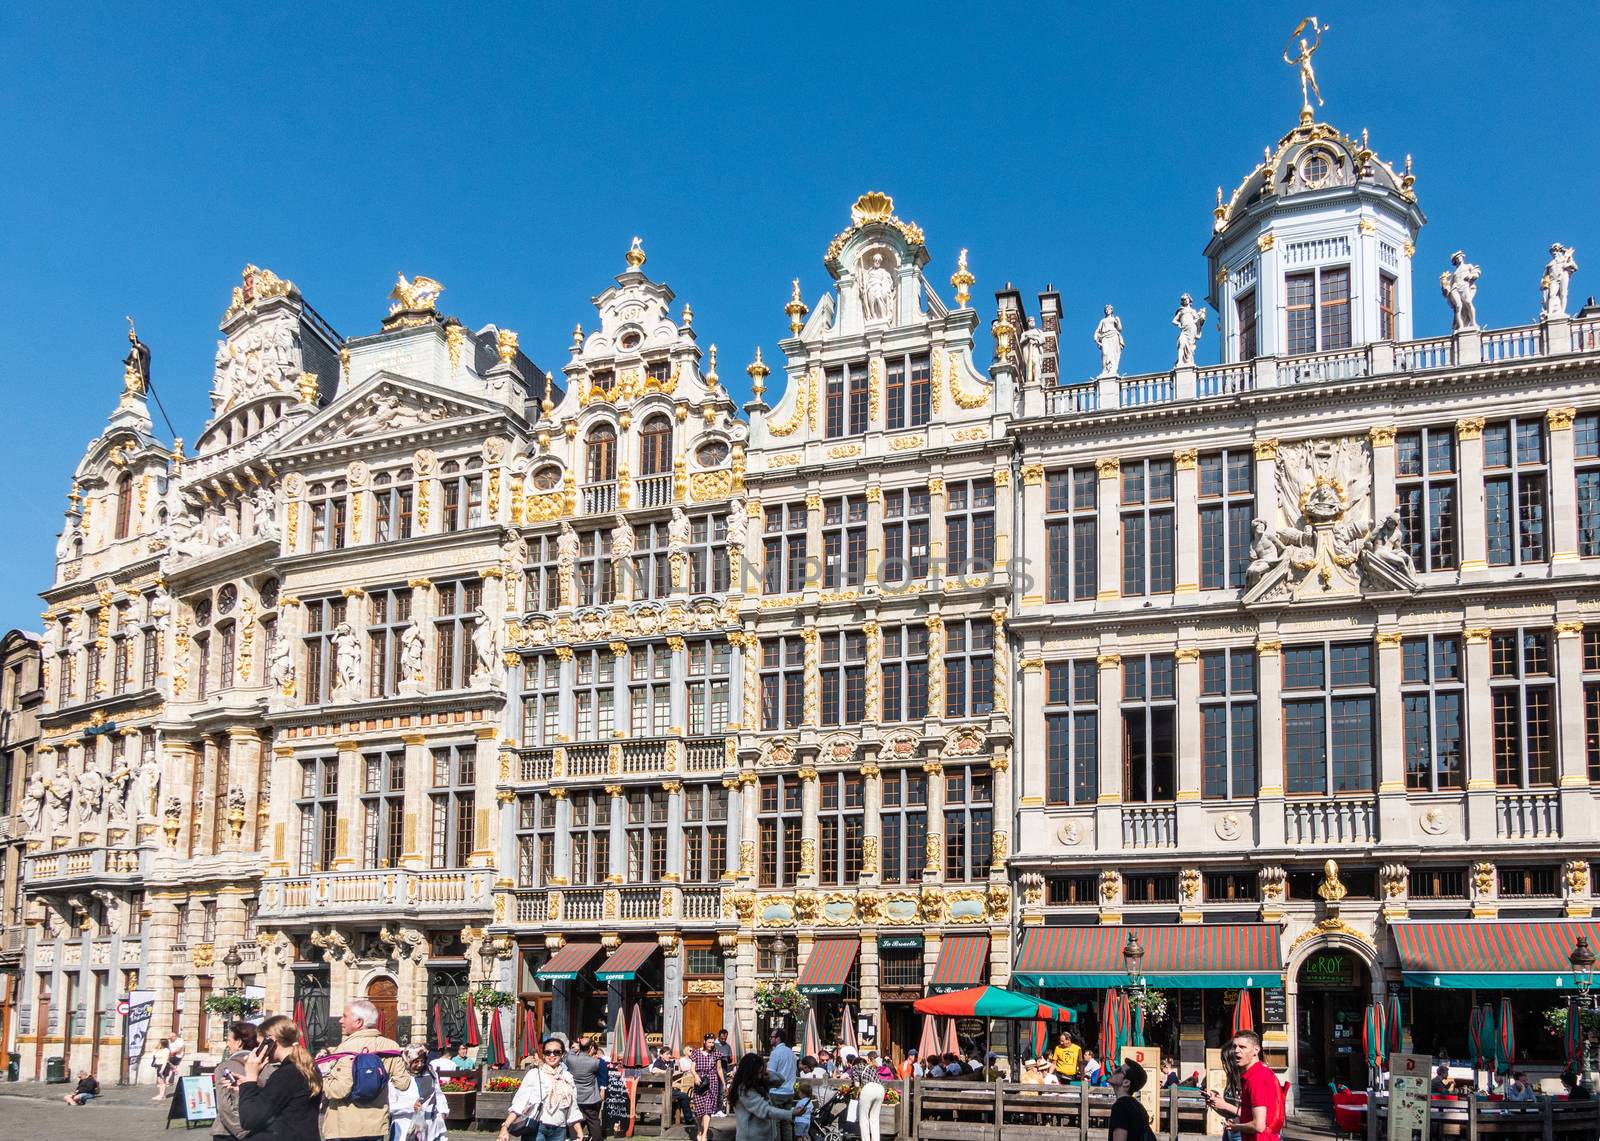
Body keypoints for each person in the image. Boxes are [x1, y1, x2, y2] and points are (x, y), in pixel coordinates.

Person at [320, 999, 413, 1141]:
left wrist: (321, 1079)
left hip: (344, 1127)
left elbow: (339, 1090)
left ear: (358, 1022)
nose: (340, 1020)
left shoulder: (345, 1049)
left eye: (344, 1016)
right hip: (375, 1126)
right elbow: (403, 1083)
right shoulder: (391, 1046)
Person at [239, 1015, 322, 1141]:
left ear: (270, 1041)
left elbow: (250, 1119)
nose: (257, 1049)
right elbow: (283, 1103)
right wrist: (248, 1085)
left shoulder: (287, 1073)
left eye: (259, 1043)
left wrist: (250, 1078)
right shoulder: (307, 1067)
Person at [1203, 1030, 1284, 1141]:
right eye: (1234, 1046)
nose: (1236, 1051)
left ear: (1256, 1050)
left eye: (1242, 1047)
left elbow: (1258, 1125)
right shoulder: (1254, 1075)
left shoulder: (1257, 1078)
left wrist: (1234, 1127)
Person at [499, 1038, 584, 1141]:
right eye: (548, 1052)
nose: (552, 1055)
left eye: (556, 1052)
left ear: (562, 1055)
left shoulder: (568, 1077)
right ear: (543, 1055)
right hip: (536, 1128)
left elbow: (572, 1107)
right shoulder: (534, 1074)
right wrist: (505, 1127)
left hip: (559, 1129)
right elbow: (520, 1103)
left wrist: (579, 1132)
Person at [387, 1045, 449, 1141]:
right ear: (407, 1060)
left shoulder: (430, 1073)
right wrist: (411, 1106)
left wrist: (443, 1112)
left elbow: (438, 1094)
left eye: (423, 1061)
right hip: (403, 1128)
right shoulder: (397, 1077)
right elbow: (389, 1106)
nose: (420, 1065)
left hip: (429, 1128)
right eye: (416, 1062)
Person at [213, 1021, 261, 1139]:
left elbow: (224, 1106)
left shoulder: (225, 1067)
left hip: (228, 1131)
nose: (227, 1044)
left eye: (229, 1040)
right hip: (259, 1128)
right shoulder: (265, 1065)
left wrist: (242, 1133)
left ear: (239, 1042)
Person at [730, 1052, 794, 1141]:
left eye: (762, 1072)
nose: (760, 1076)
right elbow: (766, 1111)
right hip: (751, 1138)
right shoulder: (744, 1090)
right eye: (759, 1073)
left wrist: (768, 1073)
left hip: (763, 1136)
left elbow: (780, 1080)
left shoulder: (757, 1084)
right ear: (751, 1072)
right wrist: (791, 1113)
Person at [688, 1032, 727, 1141]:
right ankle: (699, 1129)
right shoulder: (696, 1052)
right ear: (704, 1042)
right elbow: (692, 1068)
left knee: (708, 1109)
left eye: (713, 1042)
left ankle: (704, 1134)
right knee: (700, 1109)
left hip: (712, 1082)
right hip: (699, 1082)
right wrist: (695, 1076)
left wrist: (723, 1083)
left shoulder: (716, 1053)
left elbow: (719, 1069)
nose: (711, 1044)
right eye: (709, 1042)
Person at [565, 1036, 604, 1141]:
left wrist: (576, 1046)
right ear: (591, 1047)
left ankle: (575, 1138)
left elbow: (570, 1052)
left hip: (575, 1096)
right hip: (590, 1097)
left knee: (574, 1120)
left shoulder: (571, 1059)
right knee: (593, 1121)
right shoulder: (595, 1062)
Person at [1108, 1060, 1152, 1141]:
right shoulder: (1139, 1107)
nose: (1114, 1070)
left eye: (1119, 1070)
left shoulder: (1120, 1107)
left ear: (1126, 1082)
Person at [767, 1028, 798, 1141]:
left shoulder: (775, 1053)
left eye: (772, 1037)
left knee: (776, 1124)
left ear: (778, 1038)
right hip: (789, 1091)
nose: (770, 1039)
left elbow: (770, 1074)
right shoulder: (791, 1053)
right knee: (787, 1123)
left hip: (776, 1092)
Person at [156, 1034, 188, 1100]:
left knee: (162, 1080)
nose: (169, 1039)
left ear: (174, 1036)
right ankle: (173, 1068)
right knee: (160, 1080)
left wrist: (162, 1069)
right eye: (169, 1038)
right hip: (164, 1061)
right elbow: (155, 1051)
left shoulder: (179, 1041)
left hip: (174, 1058)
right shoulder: (165, 1046)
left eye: (170, 1038)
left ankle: (162, 1095)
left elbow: (177, 1051)